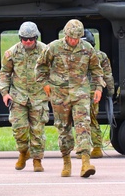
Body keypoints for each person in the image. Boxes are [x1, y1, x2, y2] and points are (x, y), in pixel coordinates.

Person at [35, 19, 103, 178]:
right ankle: (66, 161)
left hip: (81, 93)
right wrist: (45, 84)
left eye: (77, 38)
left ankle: (85, 162)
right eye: (71, 37)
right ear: (66, 34)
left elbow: (96, 70)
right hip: (59, 94)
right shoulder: (53, 47)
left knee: (83, 125)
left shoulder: (87, 49)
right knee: (63, 128)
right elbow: (40, 67)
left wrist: (98, 88)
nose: (74, 41)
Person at [0, 21, 49, 172]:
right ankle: (23, 152)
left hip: (38, 96)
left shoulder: (45, 51)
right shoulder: (11, 53)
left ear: (36, 37)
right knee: (19, 129)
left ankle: (37, 160)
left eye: (31, 39)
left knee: (38, 130)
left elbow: (54, 70)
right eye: (24, 39)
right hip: (18, 96)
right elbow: (5, 74)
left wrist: (52, 88)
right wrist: (5, 93)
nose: (28, 42)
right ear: (20, 38)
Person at [82, 29, 115, 159]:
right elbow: (108, 76)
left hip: (82, 92)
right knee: (91, 119)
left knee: (81, 120)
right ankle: (95, 147)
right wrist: (111, 93)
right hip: (94, 92)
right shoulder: (101, 56)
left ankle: (87, 147)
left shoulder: (75, 56)